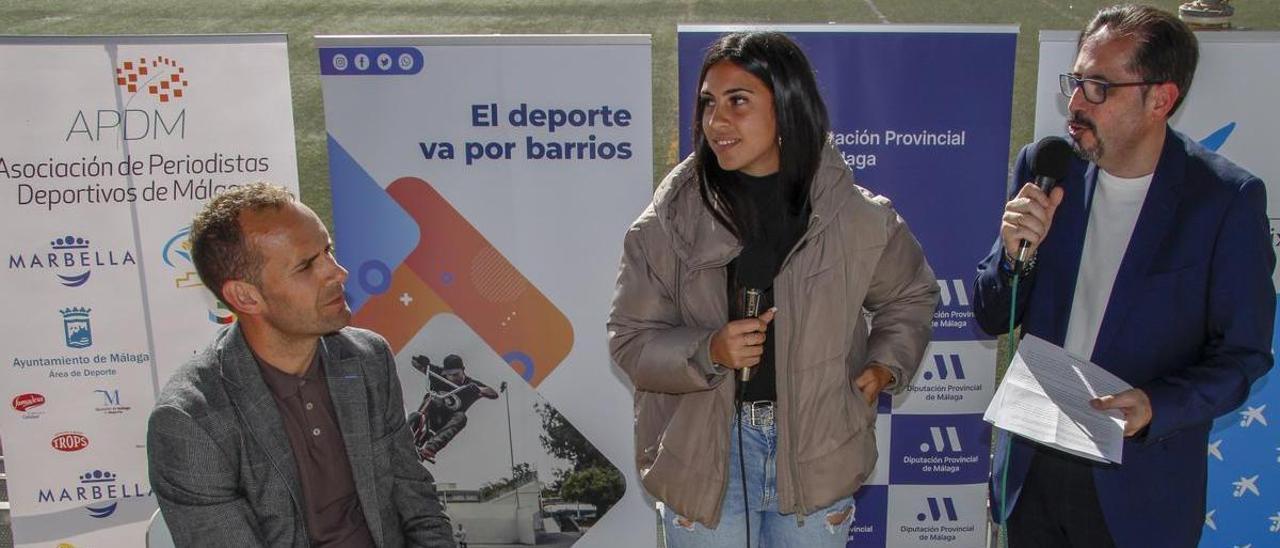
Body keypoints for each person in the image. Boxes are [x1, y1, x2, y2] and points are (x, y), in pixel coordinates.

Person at [608, 31, 938, 547]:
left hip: (818, 455)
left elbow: (910, 296)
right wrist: (709, 349)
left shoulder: (858, 217)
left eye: (738, 101)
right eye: (708, 103)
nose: (716, 121)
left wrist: (882, 367)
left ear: (788, 107)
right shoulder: (665, 223)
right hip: (703, 461)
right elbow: (630, 340)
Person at [973, 5, 1274, 547]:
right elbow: (992, 312)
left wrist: (1158, 406)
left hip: (1138, 488)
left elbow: (1244, 354)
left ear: (1160, 99)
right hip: (1034, 470)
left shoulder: (1224, 201)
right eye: (1076, 81)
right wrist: (1017, 256)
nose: (1075, 104)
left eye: (1099, 88)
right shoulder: (1046, 169)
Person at [147, 183, 455, 547]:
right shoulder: (191, 421)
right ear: (245, 296)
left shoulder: (369, 359)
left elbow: (416, 499)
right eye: (307, 265)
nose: (338, 272)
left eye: (328, 251)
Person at [407, 354, 502, 462]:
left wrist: (480, 389)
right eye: (449, 375)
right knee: (432, 397)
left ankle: (430, 449)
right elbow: (415, 364)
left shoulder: (470, 385)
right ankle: (409, 427)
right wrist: (421, 362)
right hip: (431, 411)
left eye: (456, 374)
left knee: (462, 417)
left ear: (463, 370)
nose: (452, 378)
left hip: (448, 421)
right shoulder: (438, 373)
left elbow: (493, 394)